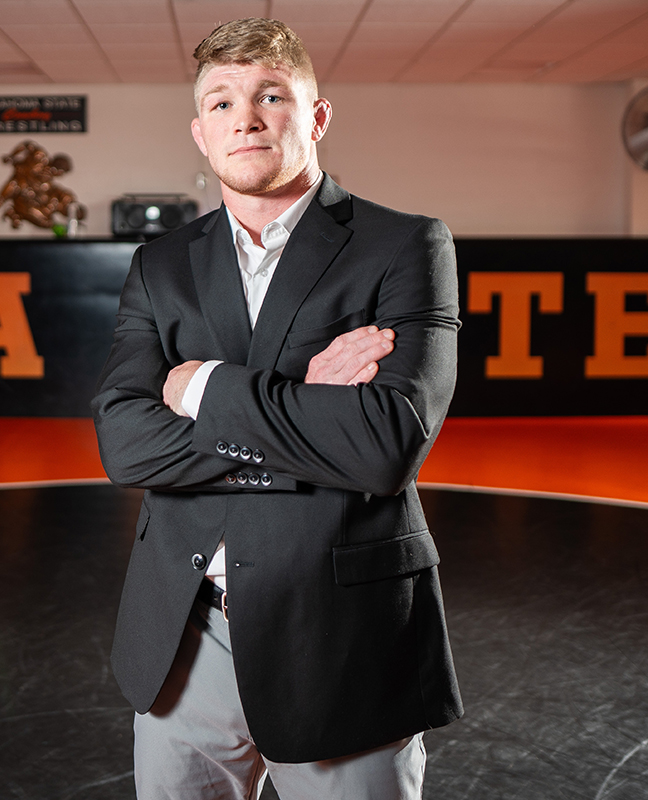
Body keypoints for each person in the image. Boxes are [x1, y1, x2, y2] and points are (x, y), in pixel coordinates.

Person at [92, 17, 462, 799]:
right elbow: (126, 444)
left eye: (269, 95)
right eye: (221, 102)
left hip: (341, 643)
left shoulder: (405, 247)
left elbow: (384, 446)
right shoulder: (160, 265)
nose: (246, 117)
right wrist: (308, 402)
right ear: (200, 132)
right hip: (184, 644)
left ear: (316, 115)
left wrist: (197, 389)